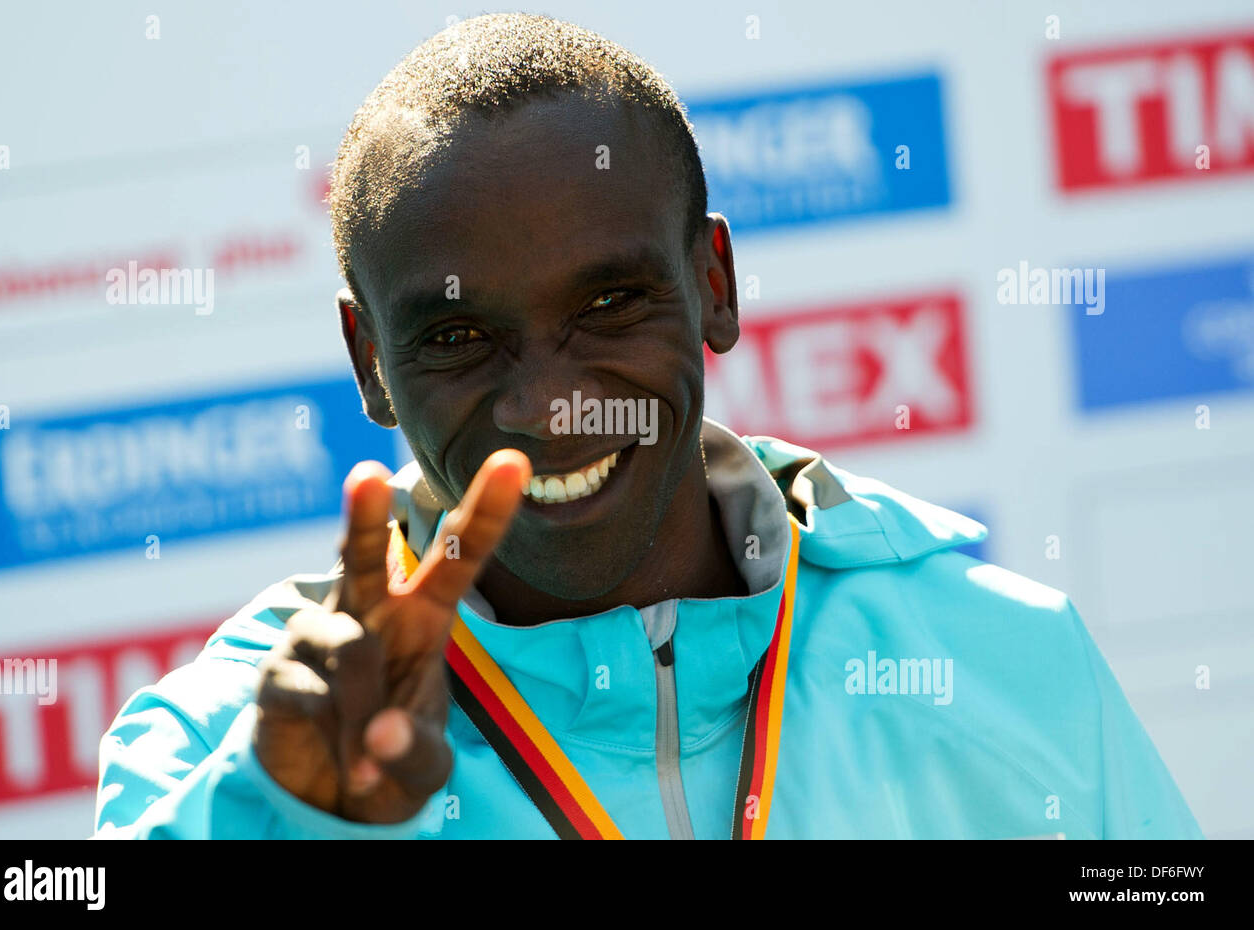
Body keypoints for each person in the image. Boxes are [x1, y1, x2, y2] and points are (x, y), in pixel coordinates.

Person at [93, 12, 1202, 839]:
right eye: (457, 338)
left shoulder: (1000, 656)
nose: (544, 406)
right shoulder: (232, 745)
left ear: (713, 282)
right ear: (369, 365)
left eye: (608, 305)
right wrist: (285, 821)